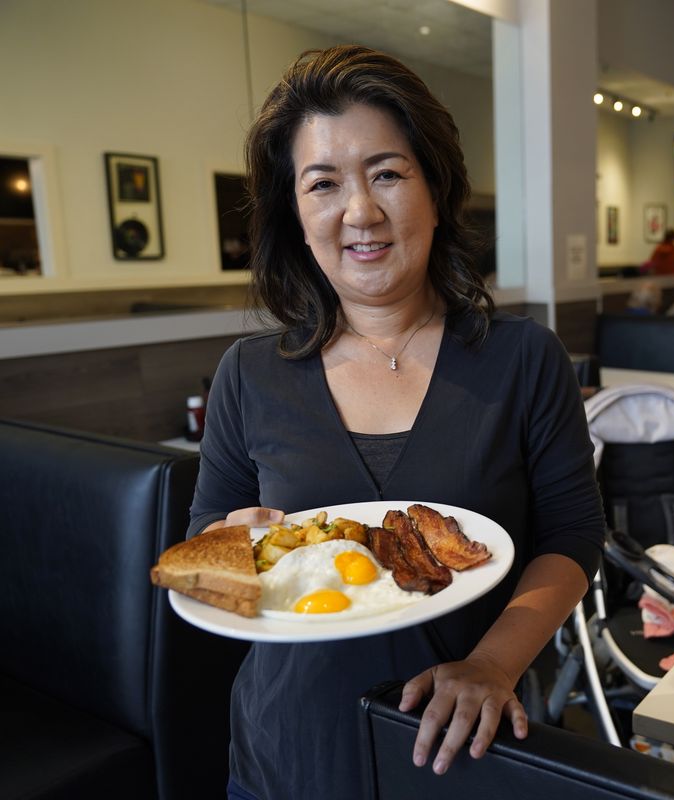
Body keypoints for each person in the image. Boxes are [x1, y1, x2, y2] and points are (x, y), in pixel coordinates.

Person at [187, 46, 604, 800]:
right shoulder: (248, 374)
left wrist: (494, 664)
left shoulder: (522, 359)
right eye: (323, 184)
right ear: (296, 212)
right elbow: (208, 550)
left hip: (456, 747)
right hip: (288, 748)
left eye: (387, 172)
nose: (361, 212)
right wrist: (228, 546)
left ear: (435, 189)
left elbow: (573, 536)